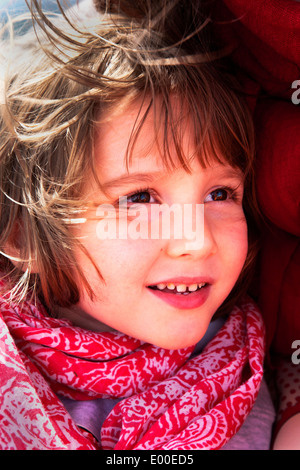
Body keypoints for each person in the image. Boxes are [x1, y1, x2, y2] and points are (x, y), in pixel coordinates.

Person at [0, 0, 275, 450]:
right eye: (140, 198)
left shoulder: (242, 370)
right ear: (24, 234)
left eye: (220, 194)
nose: (195, 240)